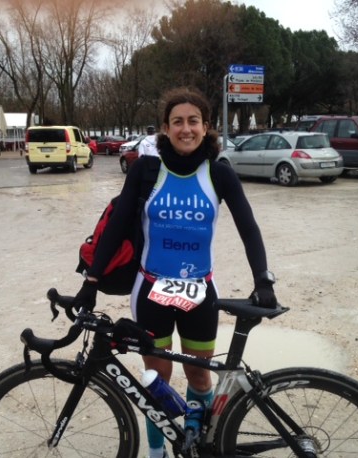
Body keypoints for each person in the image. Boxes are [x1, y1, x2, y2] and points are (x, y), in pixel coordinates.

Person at [72, 86, 277, 458]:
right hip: (151, 291)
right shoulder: (146, 170)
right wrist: (92, 279)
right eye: (177, 121)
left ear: (206, 126)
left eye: (193, 121)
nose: (186, 129)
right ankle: (157, 453)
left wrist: (263, 279)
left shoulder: (219, 173)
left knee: (199, 375)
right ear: (165, 128)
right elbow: (116, 226)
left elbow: (249, 228)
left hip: (200, 293)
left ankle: (202, 443)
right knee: (157, 379)